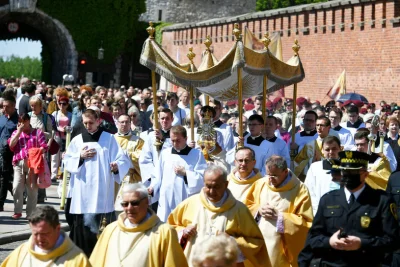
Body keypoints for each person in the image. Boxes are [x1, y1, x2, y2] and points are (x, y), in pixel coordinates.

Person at [298, 151, 399, 267]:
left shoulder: (381, 201)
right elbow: (313, 238)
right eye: (345, 171)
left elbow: (392, 241)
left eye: (353, 172)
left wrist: (362, 243)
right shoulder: (328, 200)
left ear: (365, 174)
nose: (348, 175)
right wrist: (329, 242)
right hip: (332, 263)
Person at [168, 165, 271, 267]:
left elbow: (256, 243)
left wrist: (232, 241)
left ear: (226, 184)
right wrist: (183, 232)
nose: (212, 192)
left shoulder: (239, 210)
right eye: (208, 186)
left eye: (216, 187)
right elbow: (169, 229)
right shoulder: (190, 203)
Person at [63, 109, 132, 256]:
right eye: (85, 123)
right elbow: (67, 161)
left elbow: (122, 159)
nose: (87, 126)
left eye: (91, 123)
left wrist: (116, 167)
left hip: (102, 191)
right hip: (82, 192)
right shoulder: (77, 140)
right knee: (82, 228)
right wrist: (80, 157)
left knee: (102, 228)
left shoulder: (109, 139)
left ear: (98, 121)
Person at [89, 183, 188, 267]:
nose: (129, 208)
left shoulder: (164, 232)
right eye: (125, 204)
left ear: (147, 202)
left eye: (134, 203)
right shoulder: (110, 230)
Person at [244, 155, 313, 267]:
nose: (270, 179)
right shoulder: (260, 184)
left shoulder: (300, 190)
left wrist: (281, 217)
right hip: (257, 242)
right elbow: (246, 208)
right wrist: (258, 209)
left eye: (274, 175)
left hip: (280, 247)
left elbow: (306, 223)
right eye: (268, 174)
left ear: (285, 172)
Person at [1, 206, 90, 267]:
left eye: (45, 234)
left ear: (58, 228)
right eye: (35, 234)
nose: (40, 239)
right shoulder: (21, 254)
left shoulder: (77, 259)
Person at [150, 125, 207, 221]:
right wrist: (152, 187)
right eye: (172, 140)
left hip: (185, 198)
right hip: (166, 199)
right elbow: (157, 175)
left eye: (178, 140)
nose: (175, 143)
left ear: (185, 138)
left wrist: (186, 173)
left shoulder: (196, 154)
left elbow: (202, 178)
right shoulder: (165, 153)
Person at [8, 113, 48, 219]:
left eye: (24, 121)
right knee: (16, 187)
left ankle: (30, 214)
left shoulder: (37, 133)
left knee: (32, 190)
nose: (22, 123)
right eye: (20, 121)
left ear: (29, 121)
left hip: (33, 164)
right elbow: (11, 145)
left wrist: (36, 151)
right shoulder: (16, 133)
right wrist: (19, 132)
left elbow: (44, 146)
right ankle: (17, 211)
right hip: (18, 163)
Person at [304, 136, 342, 215]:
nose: (331, 152)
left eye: (334, 149)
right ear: (322, 151)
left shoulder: (346, 167)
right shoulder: (315, 168)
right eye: (327, 149)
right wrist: (316, 210)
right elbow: (309, 191)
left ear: (340, 149)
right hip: (320, 211)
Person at [114, 114, 145, 213]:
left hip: (131, 178)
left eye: (127, 122)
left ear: (130, 124)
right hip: (114, 178)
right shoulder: (111, 139)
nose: (124, 124)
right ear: (117, 124)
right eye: (122, 122)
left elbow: (142, 158)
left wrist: (127, 155)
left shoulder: (138, 141)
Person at [139, 108, 174, 187]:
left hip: (172, 174)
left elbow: (176, 152)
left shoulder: (177, 135)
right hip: (155, 176)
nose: (164, 121)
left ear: (172, 119)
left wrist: (163, 140)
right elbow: (145, 158)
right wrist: (152, 175)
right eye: (162, 118)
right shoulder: (152, 136)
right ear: (158, 119)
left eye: (167, 118)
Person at [0, 95, 18, 212]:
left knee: (3, 177)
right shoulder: (1, 118)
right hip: (0, 151)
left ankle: (0, 202)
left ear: (13, 106)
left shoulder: (19, 120)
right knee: (3, 177)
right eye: (3, 106)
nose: (4, 109)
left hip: (9, 153)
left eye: (7, 106)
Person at [51, 96, 72, 181]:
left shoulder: (70, 115)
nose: (62, 105)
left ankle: (63, 173)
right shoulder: (55, 114)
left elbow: (72, 126)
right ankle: (53, 174)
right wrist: (59, 129)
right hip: (56, 136)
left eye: (64, 103)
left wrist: (67, 128)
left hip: (66, 138)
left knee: (64, 157)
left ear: (67, 105)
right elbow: (52, 126)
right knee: (54, 157)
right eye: (60, 103)